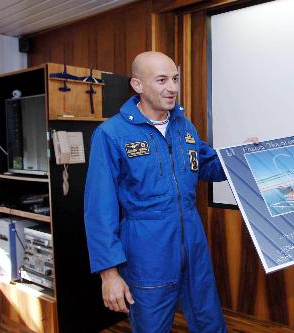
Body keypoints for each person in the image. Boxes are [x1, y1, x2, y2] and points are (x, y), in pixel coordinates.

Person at [84, 51, 227, 333]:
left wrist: (240, 158)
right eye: (162, 80)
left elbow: (206, 165)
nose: (172, 88)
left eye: (174, 78)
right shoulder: (111, 134)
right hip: (147, 248)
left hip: (193, 242)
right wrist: (109, 274)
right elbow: (99, 208)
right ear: (137, 85)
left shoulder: (183, 125)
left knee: (210, 322)